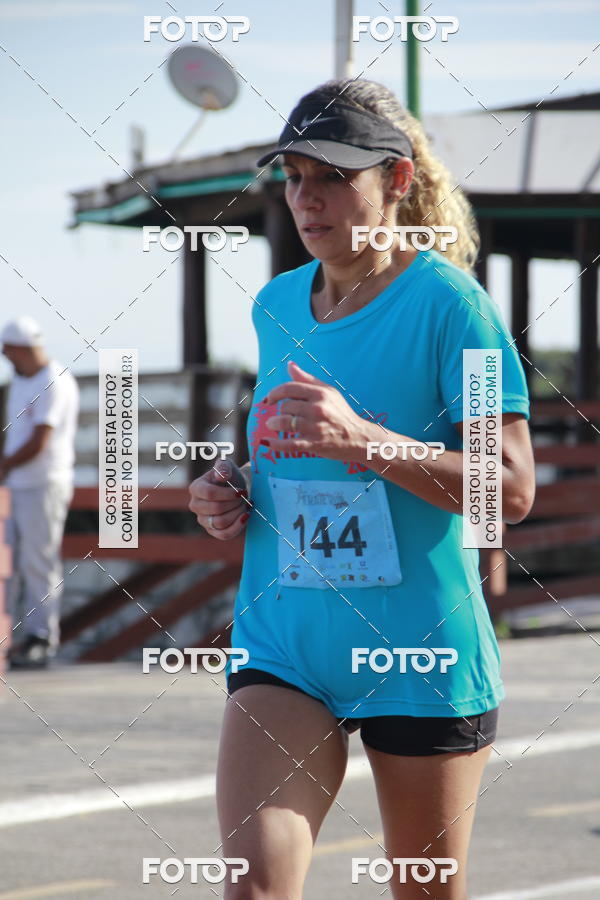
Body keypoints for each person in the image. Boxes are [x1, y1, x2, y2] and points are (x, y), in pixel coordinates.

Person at [188, 78, 536, 899]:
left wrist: (369, 443)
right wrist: (229, 490)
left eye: (334, 177)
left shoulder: (456, 309)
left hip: (418, 654)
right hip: (287, 647)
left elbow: (511, 490)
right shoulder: (276, 304)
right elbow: (284, 460)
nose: (309, 199)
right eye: (295, 177)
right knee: (254, 889)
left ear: (398, 181)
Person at [0, 316, 79, 669]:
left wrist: (3, 465)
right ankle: (15, 636)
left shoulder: (53, 381)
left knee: (39, 562)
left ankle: (41, 637)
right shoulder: (22, 381)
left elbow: (39, 440)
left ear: (18, 348)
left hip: (44, 482)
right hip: (18, 483)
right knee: (11, 563)